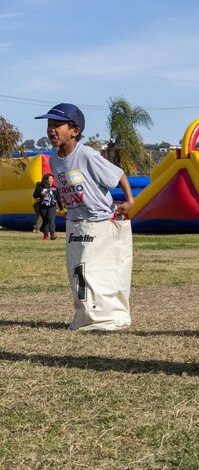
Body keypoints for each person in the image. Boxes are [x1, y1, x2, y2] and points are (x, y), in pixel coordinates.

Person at [37, 103, 135, 331]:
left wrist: (129, 200)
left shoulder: (87, 155)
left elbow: (118, 174)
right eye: (49, 125)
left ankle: (107, 317)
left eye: (57, 125)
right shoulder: (54, 160)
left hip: (100, 221)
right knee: (77, 271)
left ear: (74, 130)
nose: (51, 129)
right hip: (76, 223)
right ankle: (85, 316)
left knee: (93, 269)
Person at [33, 173, 59, 240]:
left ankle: (53, 233)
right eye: (49, 179)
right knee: (45, 221)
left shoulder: (55, 188)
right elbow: (34, 195)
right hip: (43, 207)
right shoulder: (40, 187)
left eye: (52, 179)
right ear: (46, 180)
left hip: (52, 206)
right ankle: (45, 235)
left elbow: (58, 198)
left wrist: (60, 207)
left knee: (51, 219)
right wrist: (39, 193)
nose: (51, 180)